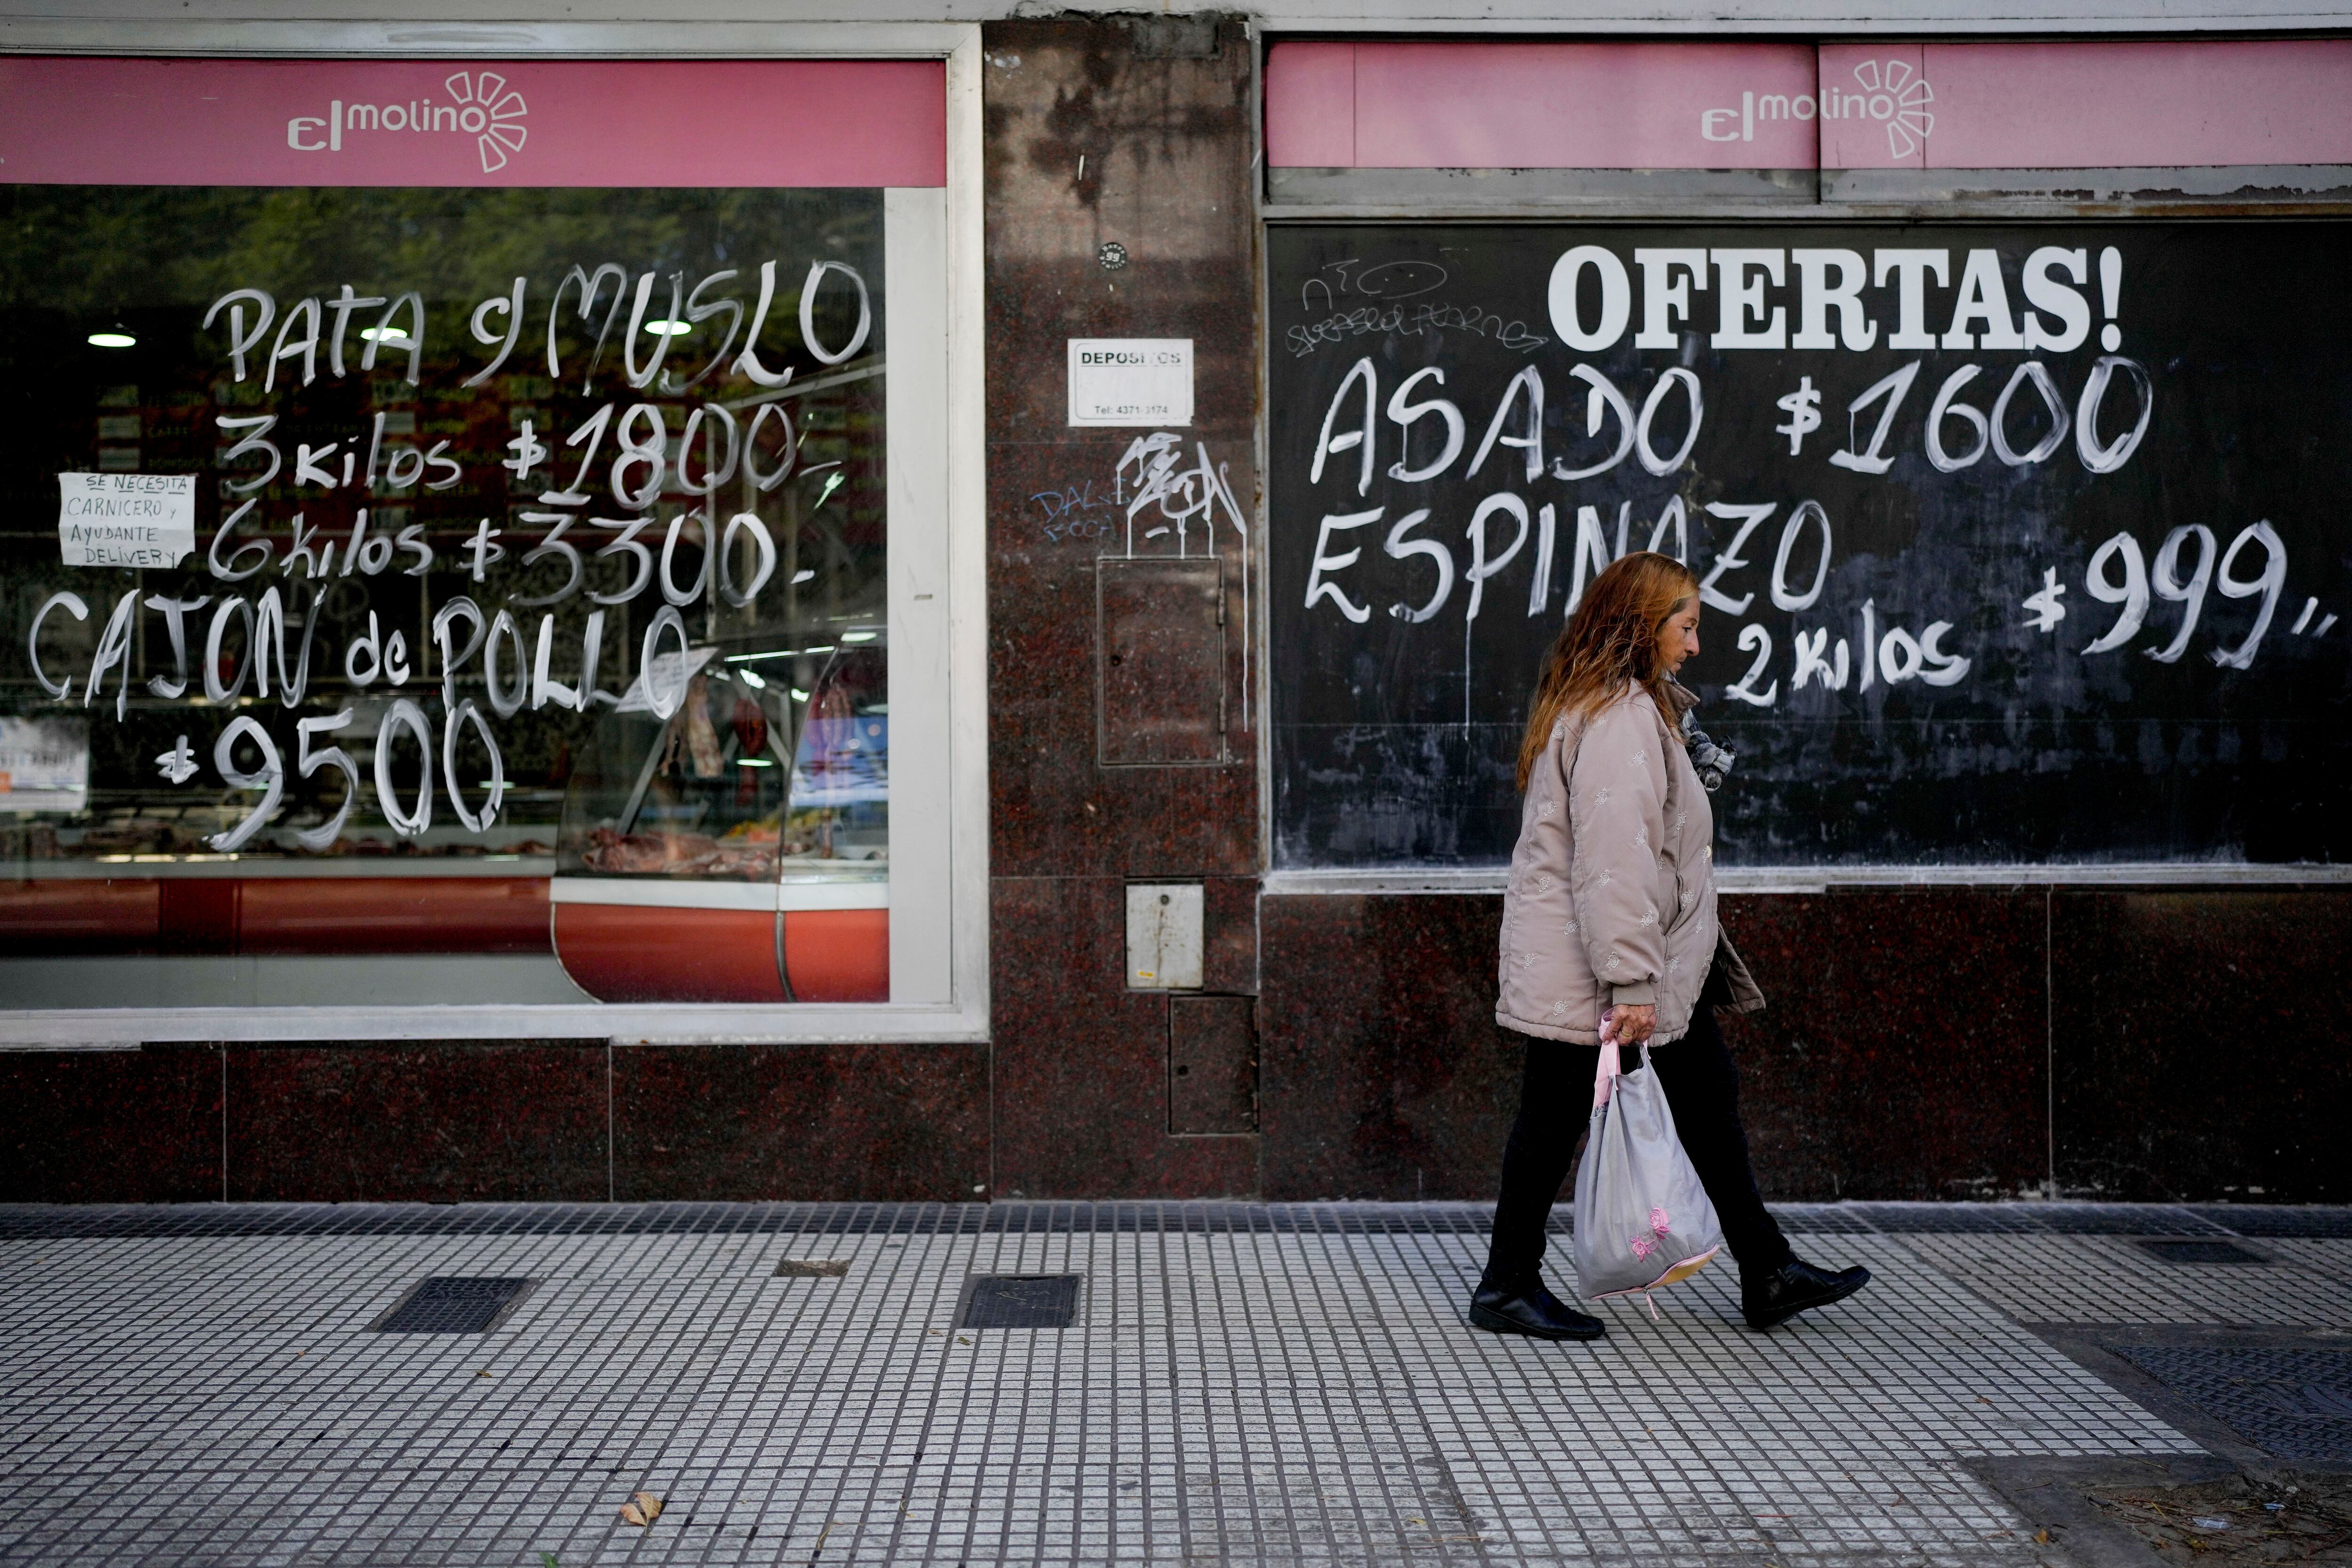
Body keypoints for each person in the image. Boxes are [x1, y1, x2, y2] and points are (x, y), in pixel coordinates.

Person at [1469, 551, 1871, 1341]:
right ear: (1642, 627)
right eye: (1685, 628)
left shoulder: (1625, 707)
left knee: (1706, 1094)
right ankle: (1506, 1284)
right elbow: (1616, 864)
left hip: (1641, 964)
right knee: (1551, 1117)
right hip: (1605, 970)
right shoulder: (1618, 718)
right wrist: (1631, 984)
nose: (1694, 646)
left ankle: (1767, 1267)